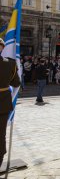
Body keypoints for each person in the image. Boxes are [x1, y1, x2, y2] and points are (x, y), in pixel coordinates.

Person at [0, 38, 21, 167]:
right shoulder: (10, 64)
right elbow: (16, 83)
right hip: (2, 101)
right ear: (2, 48)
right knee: (1, 132)